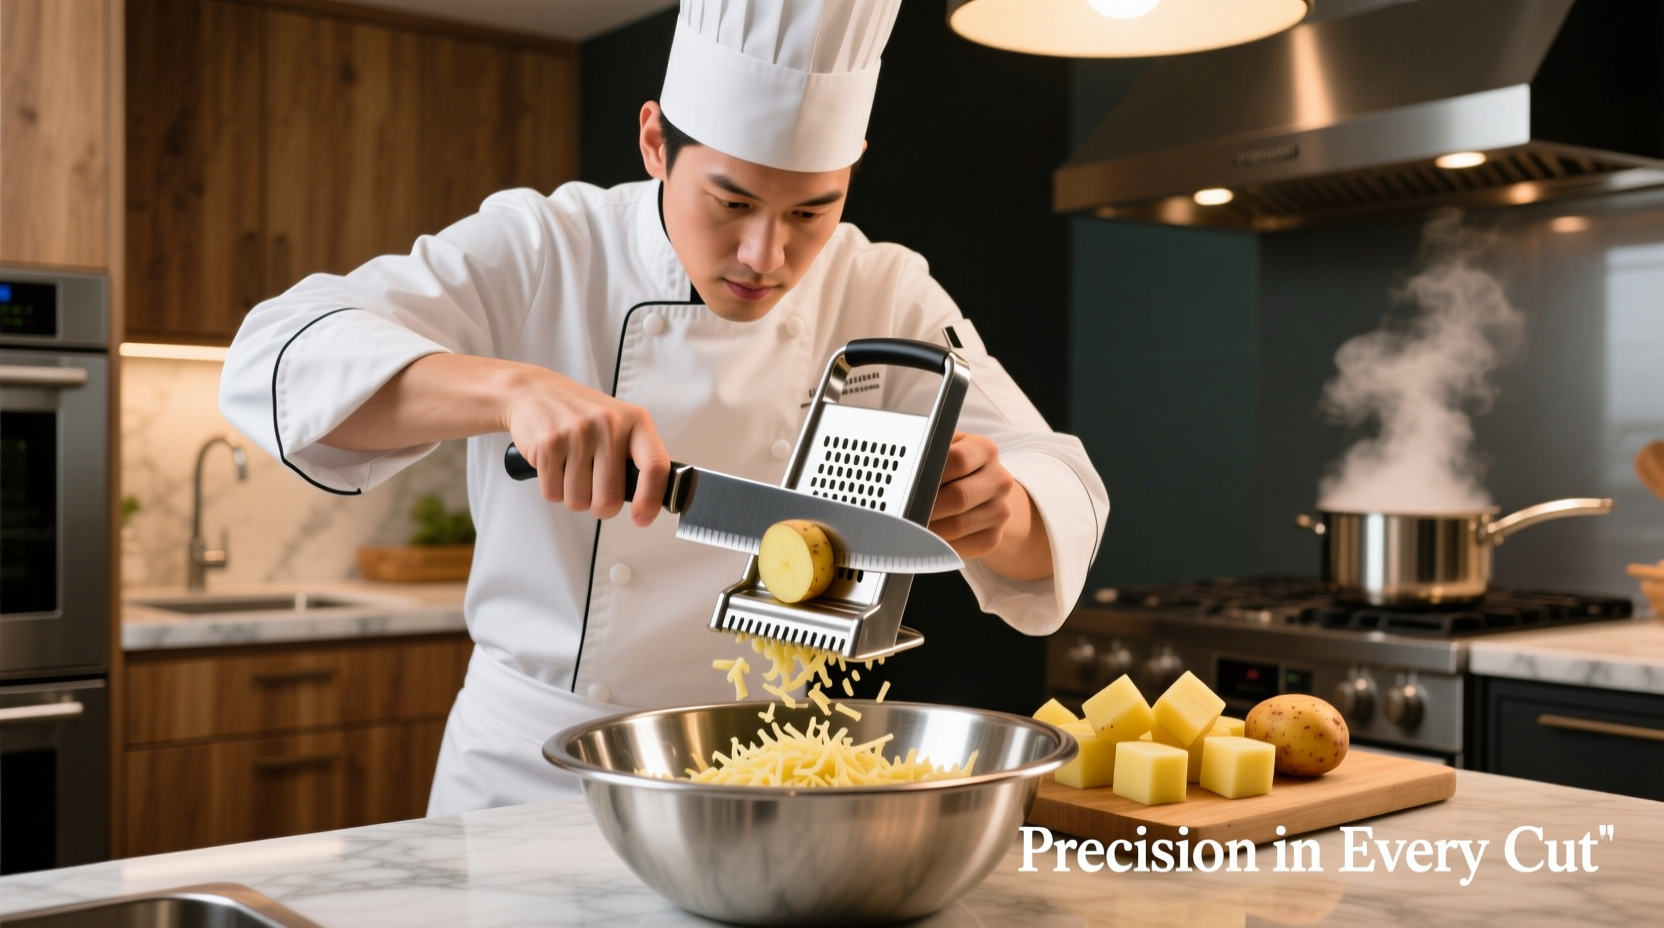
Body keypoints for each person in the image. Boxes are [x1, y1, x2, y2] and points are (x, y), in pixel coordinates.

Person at [220, 0, 1108, 815]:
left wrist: (1005, 511)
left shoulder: (882, 286)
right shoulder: (544, 246)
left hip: (771, 769)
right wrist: (509, 390)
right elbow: (277, 358)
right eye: (732, 201)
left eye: (812, 211)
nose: (766, 255)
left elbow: (1058, 479)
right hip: (530, 776)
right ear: (654, 142)